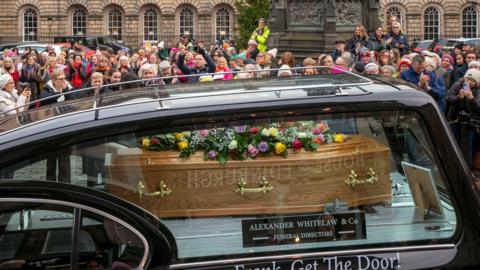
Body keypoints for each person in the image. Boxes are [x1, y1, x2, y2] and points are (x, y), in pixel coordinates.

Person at [447, 68, 480, 164]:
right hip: (455, 119)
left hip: (471, 122)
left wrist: (471, 98)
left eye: (472, 80)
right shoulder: (458, 85)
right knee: (454, 143)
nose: (468, 82)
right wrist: (459, 97)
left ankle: (467, 168)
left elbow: (478, 109)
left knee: (467, 145)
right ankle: (453, 164)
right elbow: (449, 98)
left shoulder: (478, 90)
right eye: (467, 79)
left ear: (477, 82)